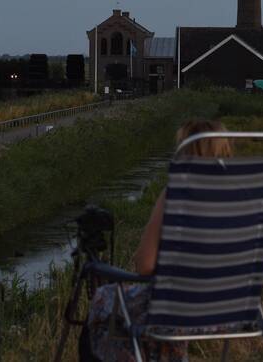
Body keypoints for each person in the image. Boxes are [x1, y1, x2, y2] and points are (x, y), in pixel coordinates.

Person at [85, 119, 232, 362]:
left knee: (104, 298)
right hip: (232, 312)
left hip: (178, 312)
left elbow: (144, 265)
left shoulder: (175, 192)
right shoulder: (244, 194)